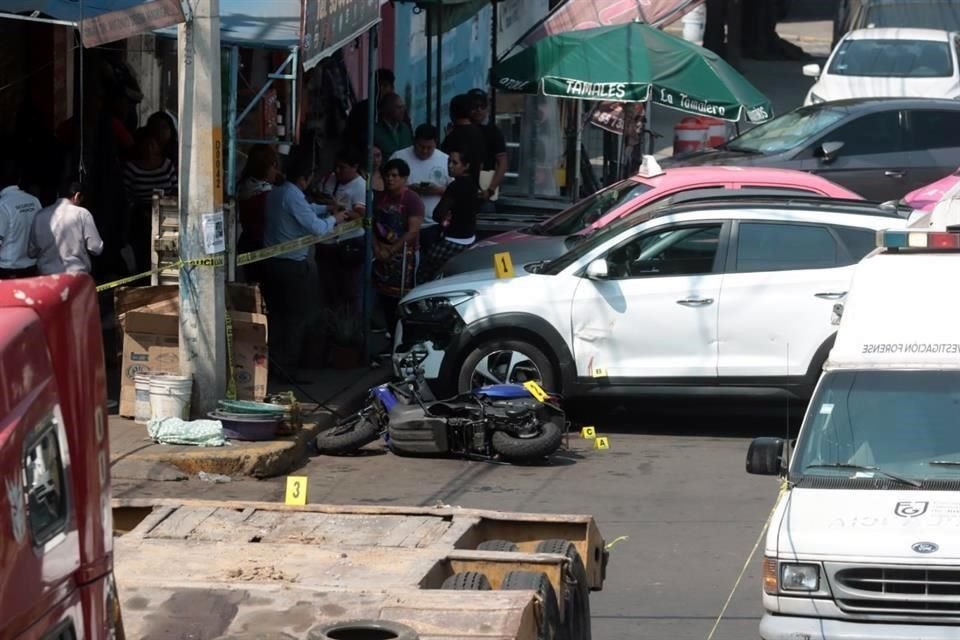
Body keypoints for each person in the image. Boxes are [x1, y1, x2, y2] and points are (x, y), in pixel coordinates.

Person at [262, 154, 356, 379]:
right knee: (296, 317)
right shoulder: (292, 195)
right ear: (305, 178)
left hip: (272, 262)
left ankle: (274, 364)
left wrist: (325, 209)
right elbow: (317, 228)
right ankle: (288, 368)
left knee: (277, 315)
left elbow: (306, 211)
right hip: (291, 266)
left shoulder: (278, 192)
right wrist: (337, 218)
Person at [373, 158, 424, 335]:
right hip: (381, 255)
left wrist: (391, 250)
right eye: (387, 175)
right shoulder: (380, 198)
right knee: (384, 299)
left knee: (402, 301)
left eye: (395, 175)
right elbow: (372, 224)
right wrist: (378, 249)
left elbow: (412, 232)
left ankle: (402, 339)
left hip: (404, 257)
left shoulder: (412, 199)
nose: (390, 179)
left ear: (404, 178)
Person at [316, 148, 368, 311]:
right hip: (326, 242)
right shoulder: (329, 179)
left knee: (350, 291)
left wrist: (339, 210)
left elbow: (361, 216)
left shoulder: (360, 186)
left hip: (349, 244)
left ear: (355, 167)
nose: (338, 171)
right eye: (336, 167)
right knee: (328, 290)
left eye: (342, 167)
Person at [417, 149, 480, 283]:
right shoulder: (473, 185)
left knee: (424, 273)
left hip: (452, 239)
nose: (450, 165)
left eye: (455, 163)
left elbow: (437, 214)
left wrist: (445, 218)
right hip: (469, 238)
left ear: (466, 165)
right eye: (449, 161)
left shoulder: (455, 186)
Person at [124, 128, 177, 272]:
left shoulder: (166, 165)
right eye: (145, 145)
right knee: (143, 253)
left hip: (166, 215)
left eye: (152, 144)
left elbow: (175, 189)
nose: (148, 148)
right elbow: (127, 195)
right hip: (140, 218)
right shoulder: (132, 168)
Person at [29, 179, 103, 275]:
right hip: (75, 277)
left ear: (58, 194)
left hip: (46, 277)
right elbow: (96, 248)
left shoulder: (40, 215)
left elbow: (31, 252)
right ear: (77, 195)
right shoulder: (82, 214)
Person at [237, 144, 280, 284]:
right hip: (261, 245)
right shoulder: (266, 195)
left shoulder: (244, 185)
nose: (276, 171)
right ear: (268, 167)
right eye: (274, 167)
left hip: (247, 243)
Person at [390, 124, 451, 221]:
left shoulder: (446, 160)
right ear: (414, 141)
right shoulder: (398, 157)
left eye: (429, 147)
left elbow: (456, 192)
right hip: (402, 220)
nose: (424, 151)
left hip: (434, 222)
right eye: (421, 146)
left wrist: (438, 190)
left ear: (436, 143)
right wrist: (409, 190)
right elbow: (386, 188)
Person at [467, 89, 509, 209]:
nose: (479, 109)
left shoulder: (494, 132)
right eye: (474, 106)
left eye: (482, 106)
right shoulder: (459, 130)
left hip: (484, 190)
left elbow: (503, 164)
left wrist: (490, 190)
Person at [0, 164, 42, 279]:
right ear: (19, 180)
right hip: (32, 269)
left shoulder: (2, 205)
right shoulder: (34, 201)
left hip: (7, 271)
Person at [345, 68, 395, 150]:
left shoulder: (397, 108)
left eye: (385, 85)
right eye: (378, 85)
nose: (380, 89)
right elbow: (351, 138)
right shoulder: (360, 109)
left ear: (392, 88)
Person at [441, 94, 486, 184]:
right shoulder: (478, 132)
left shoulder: (453, 135)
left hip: (457, 185)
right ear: (470, 112)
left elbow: (443, 159)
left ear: (452, 112)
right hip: (474, 183)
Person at [373, 93, 414, 160]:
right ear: (387, 108)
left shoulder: (405, 129)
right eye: (398, 107)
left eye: (403, 107)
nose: (402, 110)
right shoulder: (375, 132)